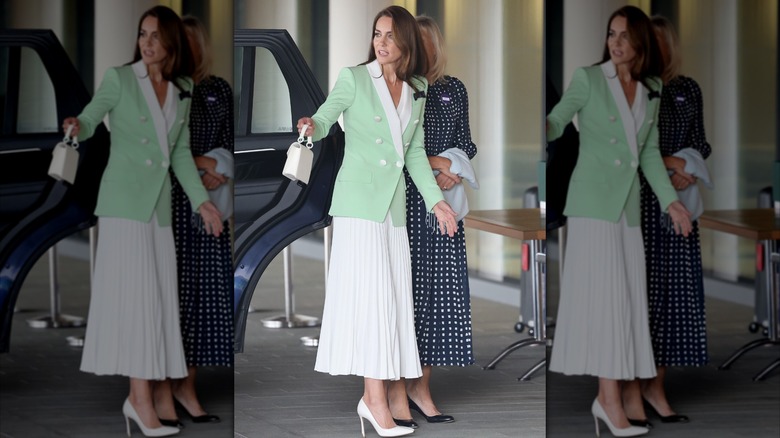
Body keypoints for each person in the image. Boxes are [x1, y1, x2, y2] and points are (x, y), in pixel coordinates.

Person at [296, 5, 458, 437]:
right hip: (359, 206)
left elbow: (415, 153)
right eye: (377, 34)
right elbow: (327, 116)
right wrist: (312, 125)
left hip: (394, 208)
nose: (381, 43)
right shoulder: (354, 78)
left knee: (390, 302)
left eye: (390, 35)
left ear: (406, 42)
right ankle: (374, 399)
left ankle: (378, 400)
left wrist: (437, 203)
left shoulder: (418, 87)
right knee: (371, 301)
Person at [62, 5, 223, 437]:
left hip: (159, 210)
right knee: (135, 303)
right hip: (124, 208)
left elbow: (180, 155)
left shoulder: (183, 88)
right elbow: (92, 117)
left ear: (171, 42)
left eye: (155, 36)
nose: (147, 43)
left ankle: (143, 399)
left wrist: (203, 203)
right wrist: (78, 125)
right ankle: (139, 399)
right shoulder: (120, 79)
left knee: (156, 305)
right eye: (142, 34)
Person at [546, 6, 692, 437]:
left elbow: (647, 153)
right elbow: (557, 119)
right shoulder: (589, 79)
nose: (616, 42)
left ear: (641, 42)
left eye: (625, 35)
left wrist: (671, 203)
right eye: (612, 34)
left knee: (623, 306)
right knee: (604, 304)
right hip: (592, 207)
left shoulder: (651, 89)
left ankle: (608, 400)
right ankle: (609, 401)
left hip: (627, 211)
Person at [386, 15, 477, 429]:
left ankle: (420, 388)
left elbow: (466, 142)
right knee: (404, 298)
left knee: (439, 299)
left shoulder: (452, 88)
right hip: (403, 205)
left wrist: (452, 167)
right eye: (412, 42)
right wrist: (439, 162)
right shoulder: (397, 87)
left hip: (443, 210)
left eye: (425, 43)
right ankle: (394, 388)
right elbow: (394, 148)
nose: (419, 50)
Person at [636, 15, 712, 424]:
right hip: (641, 204)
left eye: (660, 41)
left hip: (679, 204)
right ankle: (633, 385)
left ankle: (656, 385)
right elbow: (630, 148)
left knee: (674, 296)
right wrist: (674, 163)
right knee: (643, 295)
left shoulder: (686, 88)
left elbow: (701, 142)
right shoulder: (633, 87)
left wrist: (687, 166)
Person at [162, 15, 234, 428]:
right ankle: (163, 386)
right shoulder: (164, 88)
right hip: (170, 205)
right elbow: (162, 149)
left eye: (191, 43)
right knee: (171, 298)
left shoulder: (216, 89)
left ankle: (186, 386)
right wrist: (204, 164)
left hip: (210, 208)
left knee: (203, 299)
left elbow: (230, 141)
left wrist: (216, 166)